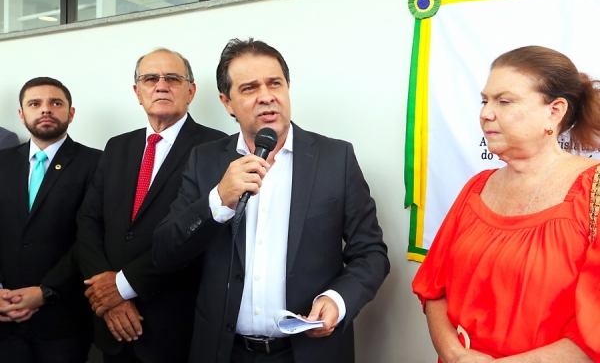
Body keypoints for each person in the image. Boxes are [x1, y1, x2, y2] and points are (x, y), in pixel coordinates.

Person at [153, 38, 390, 363]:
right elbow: (166, 250)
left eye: (274, 83)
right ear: (227, 102)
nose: (266, 96)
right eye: (250, 88)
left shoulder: (336, 158)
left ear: (287, 87)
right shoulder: (204, 161)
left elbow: (371, 253)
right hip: (225, 351)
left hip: (308, 353)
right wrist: (218, 200)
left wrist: (338, 299)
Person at [412, 45, 600, 362]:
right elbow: (435, 291)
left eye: (504, 100)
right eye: (485, 100)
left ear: (554, 111)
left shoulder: (592, 194)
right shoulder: (477, 188)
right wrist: (455, 354)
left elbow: (593, 332)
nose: (486, 113)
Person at [76, 48, 227, 363]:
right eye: (150, 79)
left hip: (174, 326)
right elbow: (89, 221)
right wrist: (109, 295)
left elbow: (201, 235)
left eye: (172, 78)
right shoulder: (117, 146)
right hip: (111, 324)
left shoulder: (216, 148)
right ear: (137, 92)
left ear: (191, 91)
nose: (161, 85)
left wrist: (123, 287)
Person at [0, 77, 101, 362]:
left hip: (63, 322)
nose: (45, 110)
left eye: (56, 103)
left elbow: (90, 238)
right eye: (35, 104)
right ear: (21, 114)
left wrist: (46, 292)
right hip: (4, 320)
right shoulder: (2, 161)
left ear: (71, 113)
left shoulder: (97, 163)